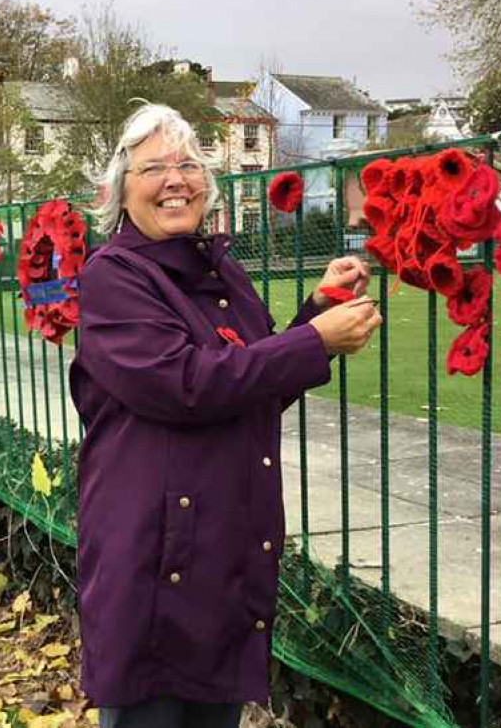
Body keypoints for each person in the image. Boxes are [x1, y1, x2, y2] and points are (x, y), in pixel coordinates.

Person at [70, 104, 381, 728]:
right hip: (153, 558)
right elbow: (183, 385)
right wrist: (314, 340)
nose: (176, 178)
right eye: (154, 166)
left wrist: (316, 307)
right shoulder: (113, 278)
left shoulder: (220, 271)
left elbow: (250, 386)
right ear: (121, 191)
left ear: (208, 184)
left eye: (188, 163)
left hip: (220, 553)